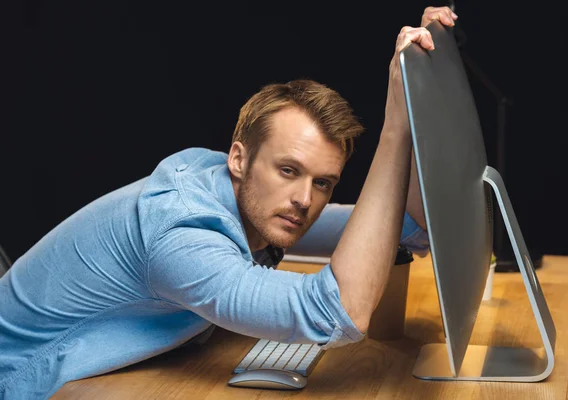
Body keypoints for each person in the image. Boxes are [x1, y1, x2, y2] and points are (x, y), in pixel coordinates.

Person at [0, 6, 458, 399]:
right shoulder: (184, 232)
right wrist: (393, 130)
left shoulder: (249, 199)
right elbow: (339, 313)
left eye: (323, 183)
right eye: (288, 170)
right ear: (239, 157)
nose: (303, 199)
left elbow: (413, 226)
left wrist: (419, 99)